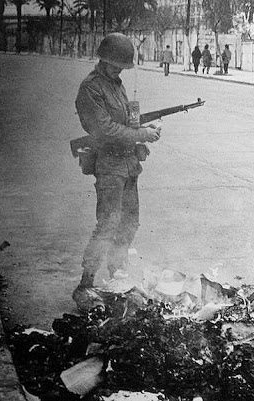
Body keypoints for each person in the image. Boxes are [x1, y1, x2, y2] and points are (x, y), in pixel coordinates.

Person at [72, 33, 161, 312]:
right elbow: (104, 129)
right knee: (109, 222)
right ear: (103, 59)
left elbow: (126, 121)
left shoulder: (116, 84)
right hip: (109, 165)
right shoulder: (91, 88)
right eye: (115, 65)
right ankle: (86, 282)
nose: (119, 70)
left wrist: (140, 134)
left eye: (122, 66)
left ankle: (116, 275)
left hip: (128, 163)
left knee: (130, 221)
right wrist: (142, 134)